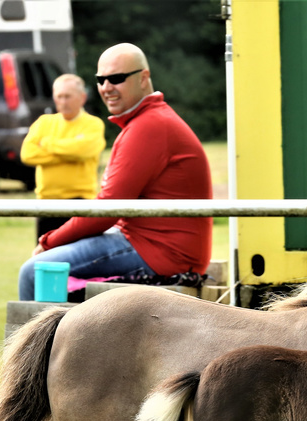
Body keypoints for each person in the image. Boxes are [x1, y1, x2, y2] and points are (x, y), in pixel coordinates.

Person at [17, 43, 211, 301]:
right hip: (154, 245)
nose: (107, 87)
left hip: (159, 251)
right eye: (101, 79)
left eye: (117, 78)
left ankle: (42, 343)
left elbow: (106, 210)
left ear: (143, 78)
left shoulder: (149, 126)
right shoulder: (147, 121)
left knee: (34, 271)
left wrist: (49, 241)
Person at [19, 73, 105, 239]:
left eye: (68, 96)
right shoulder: (44, 122)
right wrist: (69, 151)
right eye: (59, 96)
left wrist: (48, 144)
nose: (63, 101)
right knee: (45, 257)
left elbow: (83, 151)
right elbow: (27, 154)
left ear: (82, 97)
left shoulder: (93, 124)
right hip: (47, 204)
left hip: (80, 202)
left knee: (79, 257)